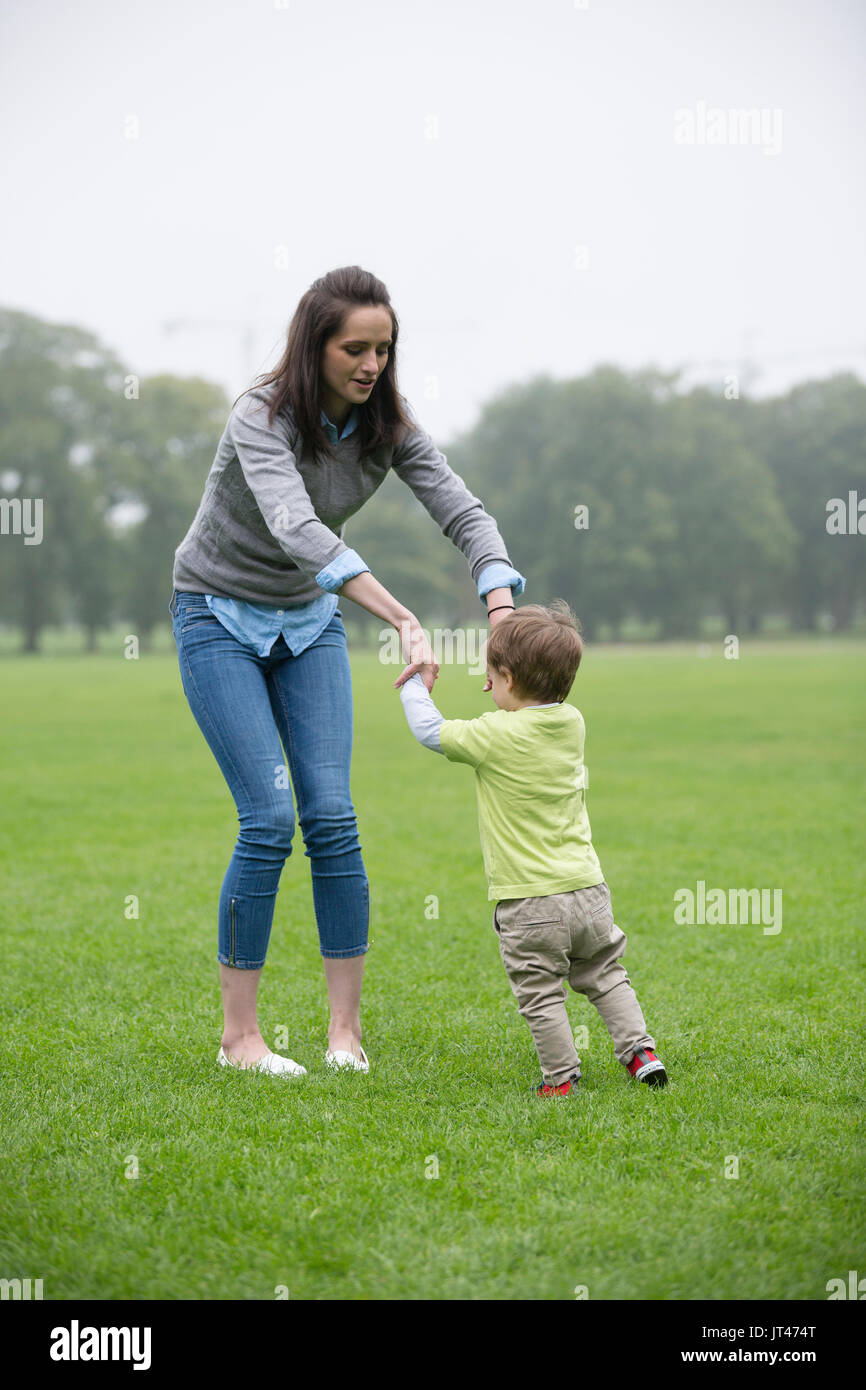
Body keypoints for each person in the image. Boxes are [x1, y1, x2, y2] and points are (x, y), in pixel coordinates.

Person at [167, 265, 524, 1076]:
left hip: (308, 621)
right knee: (267, 817)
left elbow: (462, 512)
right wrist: (401, 616)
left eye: (383, 350)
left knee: (331, 816)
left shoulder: (386, 426)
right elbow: (296, 528)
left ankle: (344, 1036)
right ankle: (240, 1040)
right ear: (314, 347)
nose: (370, 365)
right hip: (215, 613)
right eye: (353, 349)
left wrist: (501, 605)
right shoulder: (259, 416)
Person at [398, 599, 668, 1096]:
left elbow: (429, 732)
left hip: (529, 903)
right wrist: (513, 680)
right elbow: (533, 700)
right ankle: (641, 1053)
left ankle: (561, 1081)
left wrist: (415, 683)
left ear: (507, 678)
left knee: (541, 995)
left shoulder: (492, 734)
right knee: (605, 975)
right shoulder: (573, 723)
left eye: (492, 676)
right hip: (588, 890)